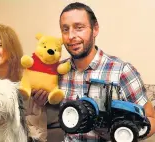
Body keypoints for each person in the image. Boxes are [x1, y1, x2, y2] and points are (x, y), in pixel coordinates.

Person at [58, 2, 155, 142]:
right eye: (65, 29)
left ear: (95, 29)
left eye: (79, 28)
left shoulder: (122, 71)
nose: (71, 36)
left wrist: (126, 133)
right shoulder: (59, 71)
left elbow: (151, 119)